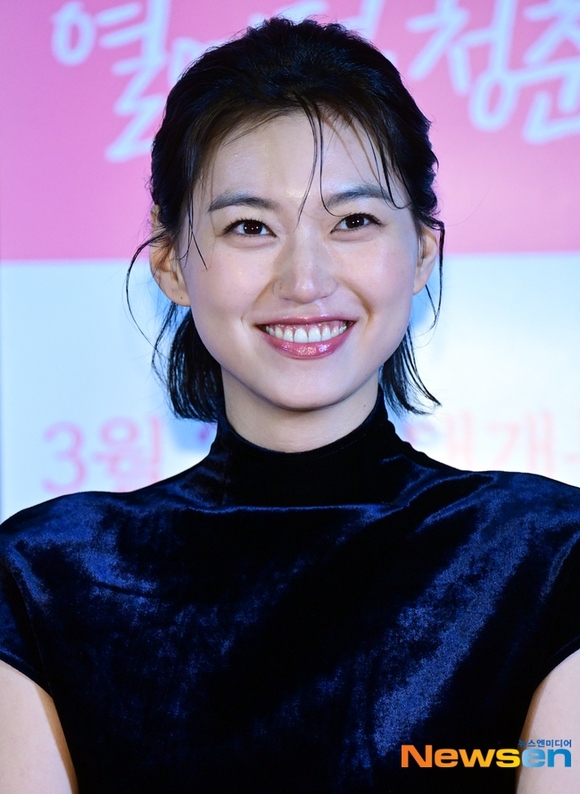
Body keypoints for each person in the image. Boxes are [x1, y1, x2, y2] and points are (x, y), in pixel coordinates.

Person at [0, 16, 579, 794]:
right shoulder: (47, 578)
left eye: (354, 222)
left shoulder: (545, 559)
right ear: (170, 264)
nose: (305, 280)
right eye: (250, 227)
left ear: (423, 252)